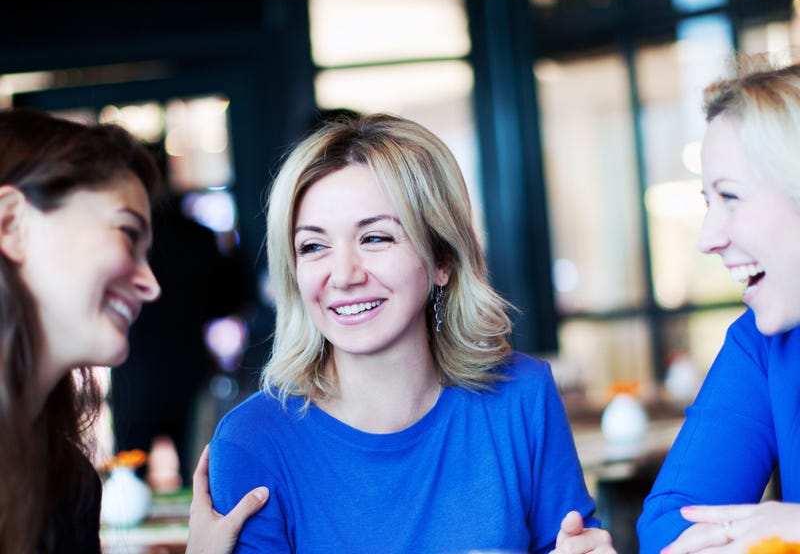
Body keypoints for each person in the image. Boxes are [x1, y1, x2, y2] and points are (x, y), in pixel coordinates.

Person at [209, 112, 616, 553]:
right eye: (313, 246)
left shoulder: (522, 396)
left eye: (375, 238)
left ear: (442, 260)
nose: (343, 275)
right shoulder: (252, 441)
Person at [0, 107, 264, 553]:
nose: (151, 285)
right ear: (11, 224)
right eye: (126, 233)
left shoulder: (65, 482)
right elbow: (233, 298)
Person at [637, 55, 800, 552]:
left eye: (730, 197)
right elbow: (670, 524)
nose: (707, 238)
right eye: (709, 203)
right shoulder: (762, 343)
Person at [111, 144, 254, 488]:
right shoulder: (197, 236)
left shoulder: (123, 240)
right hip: (187, 369)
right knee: (201, 479)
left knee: (127, 482)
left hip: (135, 371)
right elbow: (229, 301)